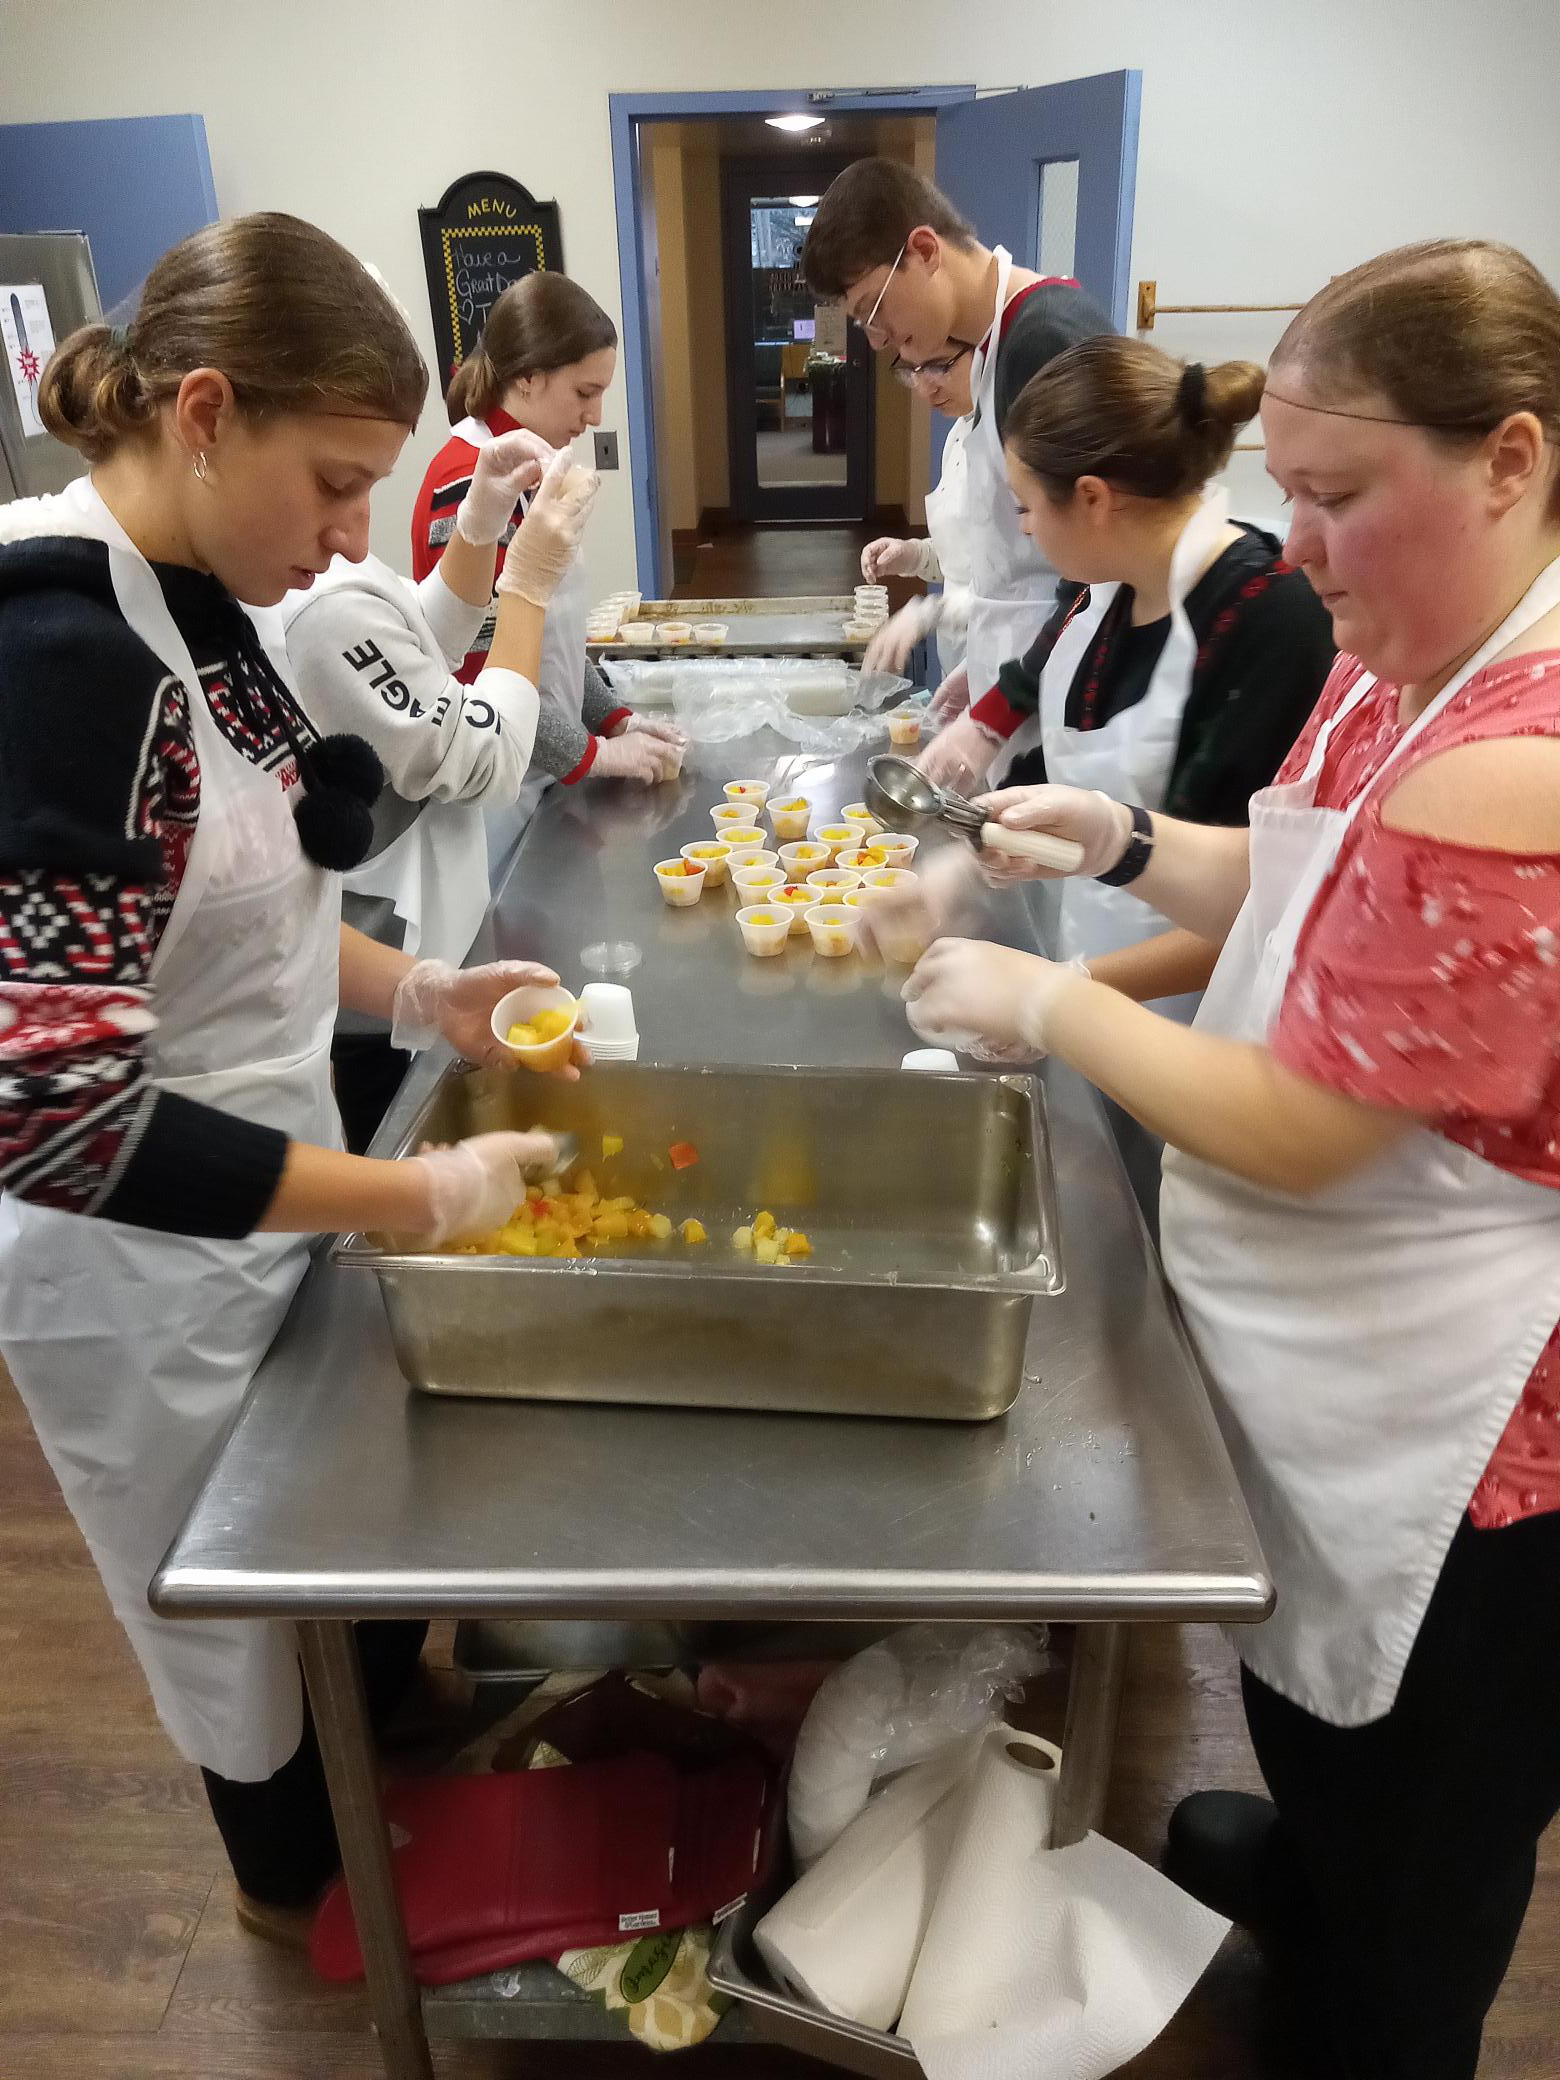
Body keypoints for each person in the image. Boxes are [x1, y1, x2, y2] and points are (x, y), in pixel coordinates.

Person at [899, 238, 1560, 2080]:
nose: (1309, 547)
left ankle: (1378, 2020)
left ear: (1511, 459)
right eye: (1293, 495)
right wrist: (1116, 840)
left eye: (1346, 498)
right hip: (1342, 1353)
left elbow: (1310, 1127)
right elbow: (1305, 883)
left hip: (1479, 1426)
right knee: (1329, 1733)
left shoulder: (1524, 756)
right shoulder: (1403, 660)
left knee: (1433, 1802)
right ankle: (1316, 1873)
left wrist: (1046, 1009)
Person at [0, 214, 588, 1942]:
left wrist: (429, 998)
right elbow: (59, 1115)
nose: (355, 536)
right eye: (336, 482)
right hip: (146, 1269)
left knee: (333, 1568)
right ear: (200, 414)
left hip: (271, 1189)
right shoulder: (57, 658)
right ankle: (297, 1882)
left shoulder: (211, 601)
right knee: (240, 1656)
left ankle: (387, 1764)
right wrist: (408, 1195)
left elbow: (242, 914)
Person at [919, 334, 1336, 1021]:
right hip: (1093, 977)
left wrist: (1064, 996)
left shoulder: (1267, 618)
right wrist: (965, 864)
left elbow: (1258, 904)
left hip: (1194, 1020)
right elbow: (1067, 767)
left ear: (1091, 499)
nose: (1023, 530)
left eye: (1025, 507)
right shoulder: (1101, 593)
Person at [261, 424, 575, 1149]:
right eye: (342, 483)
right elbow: (487, 760)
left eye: (374, 484)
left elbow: (426, 638)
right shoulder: (313, 606)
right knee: (396, 1123)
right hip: (381, 958)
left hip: (407, 964)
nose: (354, 529)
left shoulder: (318, 572)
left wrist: (480, 524)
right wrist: (525, 585)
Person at [803, 157, 1112, 723]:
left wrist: (1003, 701)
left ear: (924, 251)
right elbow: (1013, 571)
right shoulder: (997, 348)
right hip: (1023, 682)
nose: (878, 341)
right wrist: (983, 667)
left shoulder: (1045, 340)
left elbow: (1098, 576)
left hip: (1059, 704)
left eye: (874, 308)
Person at [411, 271, 685, 841]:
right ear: (528, 376)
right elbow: (486, 672)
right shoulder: (470, 481)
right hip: (496, 799)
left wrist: (614, 717)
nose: (596, 417)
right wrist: (598, 756)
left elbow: (549, 643)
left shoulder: (527, 467)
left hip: (545, 773)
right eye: (585, 393)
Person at [857, 344, 975, 682]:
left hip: (1008, 669)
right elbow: (963, 558)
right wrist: (912, 555)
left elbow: (1021, 597)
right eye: (914, 370)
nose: (925, 388)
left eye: (940, 366)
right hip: (961, 664)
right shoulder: (959, 434)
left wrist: (930, 613)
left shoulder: (1012, 450)